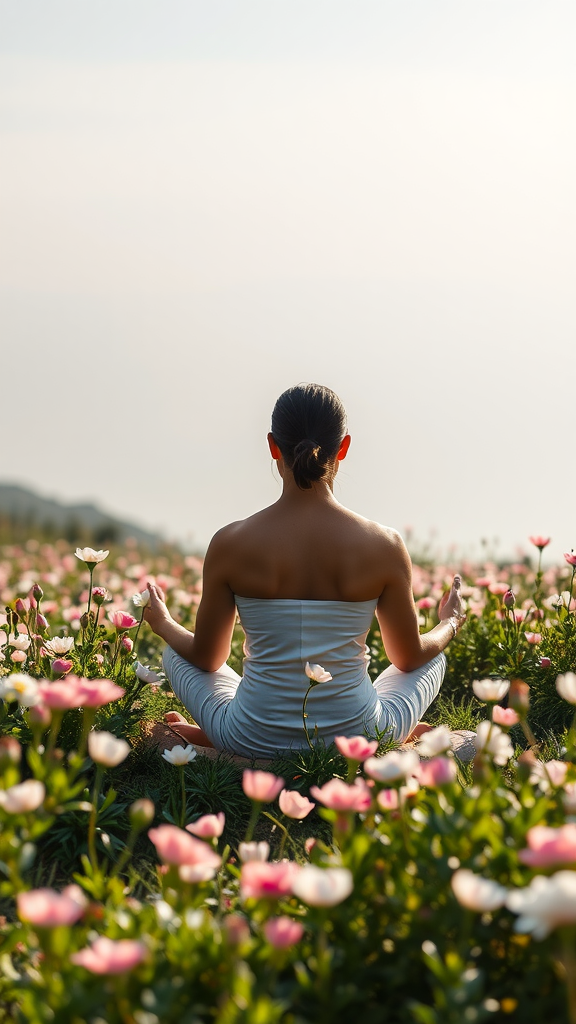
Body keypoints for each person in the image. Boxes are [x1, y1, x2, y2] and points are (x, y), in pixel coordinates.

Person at [143, 383, 465, 758]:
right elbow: (408, 658)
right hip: (360, 737)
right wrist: (450, 622)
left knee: (174, 653)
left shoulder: (230, 542)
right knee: (433, 656)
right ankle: (402, 735)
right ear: (343, 447)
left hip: (248, 736)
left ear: (272, 446)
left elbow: (207, 659)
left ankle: (211, 736)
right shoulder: (384, 544)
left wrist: (161, 622)